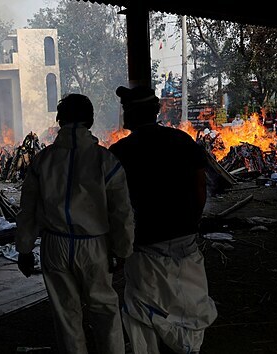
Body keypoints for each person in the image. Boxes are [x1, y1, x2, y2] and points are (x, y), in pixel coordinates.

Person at [15, 93, 135, 354]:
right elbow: (122, 212)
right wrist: (122, 250)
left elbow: (28, 211)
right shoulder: (106, 161)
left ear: (59, 120)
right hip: (95, 246)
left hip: (54, 246)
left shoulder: (42, 161)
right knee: (105, 312)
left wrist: (24, 249)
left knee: (66, 317)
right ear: (90, 121)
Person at [109, 85, 218, 354]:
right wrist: (192, 222)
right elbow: (200, 188)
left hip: (144, 246)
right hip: (185, 239)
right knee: (188, 305)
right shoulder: (182, 141)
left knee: (144, 310)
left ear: (132, 114)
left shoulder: (120, 152)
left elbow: (114, 204)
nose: (123, 115)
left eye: (125, 109)